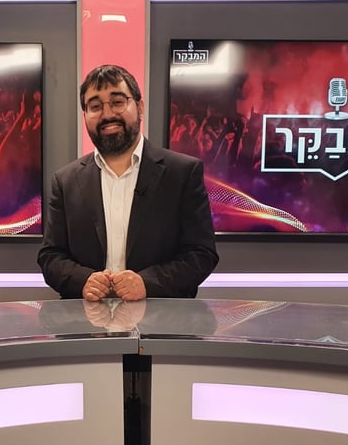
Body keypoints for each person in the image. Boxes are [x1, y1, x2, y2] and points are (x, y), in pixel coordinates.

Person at [38, 64, 219, 301]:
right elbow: (50, 257)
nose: (107, 114)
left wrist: (147, 283)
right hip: (86, 319)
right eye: (95, 106)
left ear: (140, 107)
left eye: (117, 102)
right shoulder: (65, 181)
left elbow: (201, 254)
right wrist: (83, 280)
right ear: (85, 116)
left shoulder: (182, 173)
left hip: (162, 319)